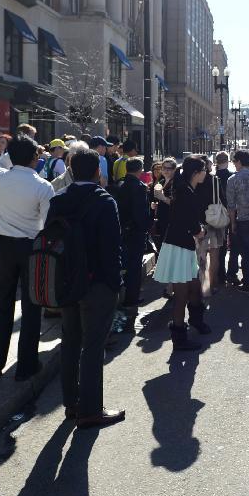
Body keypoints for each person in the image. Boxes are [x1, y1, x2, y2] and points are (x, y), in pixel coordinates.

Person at [45, 149, 125, 428]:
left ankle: (72, 403)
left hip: (67, 282)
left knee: (70, 342)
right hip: (98, 283)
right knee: (93, 346)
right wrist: (116, 282)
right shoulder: (104, 201)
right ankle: (91, 410)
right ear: (97, 172)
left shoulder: (59, 200)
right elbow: (112, 247)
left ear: (71, 170)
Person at [0, 135, 55, 380]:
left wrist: (13, 149)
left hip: (5, 245)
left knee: (2, 302)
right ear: (35, 157)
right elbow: (47, 224)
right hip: (31, 246)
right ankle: (26, 364)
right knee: (31, 305)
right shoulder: (43, 186)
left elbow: (3, 161)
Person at [152, 156, 210, 349]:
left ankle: (196, 320)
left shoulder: (186, 188)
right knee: (182, 293)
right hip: (179, 244)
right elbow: (186, 219)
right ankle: (179, 338)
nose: (205, 173)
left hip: (182, 243)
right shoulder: (185, 190)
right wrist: (199, 231)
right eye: (203, 170)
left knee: (194, 286)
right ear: (195, 173)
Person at [117, 158, 150, 312]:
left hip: (122, 230)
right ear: (140, 169)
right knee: (134, 265)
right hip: (135, 232)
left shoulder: (120, 185)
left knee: (125, 264)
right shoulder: (139, 187)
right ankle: (132, 297)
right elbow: (140, 213)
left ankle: (124, 295)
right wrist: (145, 229)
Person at [226, 150, 249, 293]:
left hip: (242, 219)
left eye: (234, 161)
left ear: (239, 161)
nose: (234, 164)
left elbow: (231, 205)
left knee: (245, 252)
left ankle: (247, 283)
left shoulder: (233, 179)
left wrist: (232, 223)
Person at [194, 155, 226, 294]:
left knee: (201, 256)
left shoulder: (191, 181)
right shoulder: (214, 180)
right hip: (214, 220)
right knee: (215, 256)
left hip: (198, 221)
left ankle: (203, 286)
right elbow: (223, 200)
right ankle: (213, 285)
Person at [214, 152, 235, 285]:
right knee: (230, 243)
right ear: (227, 161)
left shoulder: (212, 177)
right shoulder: (231, 176)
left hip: (215, 214)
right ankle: (228, 273)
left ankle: (218, 273)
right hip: (229, 212)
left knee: (217, 245)